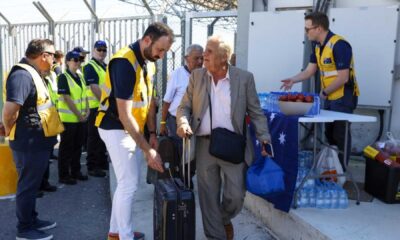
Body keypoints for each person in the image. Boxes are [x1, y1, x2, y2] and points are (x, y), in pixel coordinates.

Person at [176, 36, 271, 240]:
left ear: (224, 57)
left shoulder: (244, 78)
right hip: (204, 144)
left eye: (209, 51)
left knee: (236, 196)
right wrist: (183, 122)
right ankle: (216, 235)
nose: (204, 55)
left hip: (232, 145)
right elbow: (184, 106)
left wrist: (265, 138)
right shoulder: (197, 76)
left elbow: (256, 112)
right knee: (208, 197)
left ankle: (223, 219)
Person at [95, 22, 173, 240]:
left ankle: (115, 232)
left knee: (125, 183)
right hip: (116, 127)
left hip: (131, 129)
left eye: (165, 51)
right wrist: (148, 149)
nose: (161, 55)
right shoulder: (124, 62)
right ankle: (125, 236)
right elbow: (124, 114)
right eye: (160, 49)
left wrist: (153, 134)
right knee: (129, 184)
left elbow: (149, 103)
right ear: (147, 40)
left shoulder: (149, 62)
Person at [280, 12, 359, 170]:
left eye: (308, 29)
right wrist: (293, 80)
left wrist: (323, 93)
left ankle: (341, 173)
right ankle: (332, 169)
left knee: (340, 135)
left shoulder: (339, 45)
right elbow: (309, 71)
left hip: (343, 98)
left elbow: (343, 77)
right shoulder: (317, 46)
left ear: (319, 28)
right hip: (330, 97)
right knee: (330, 135)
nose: (306, 32)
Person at [2, 39, 60, 240]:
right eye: (52, 55)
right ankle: (24, 229)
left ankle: (31, 219)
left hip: (36, 140)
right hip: (28, 142)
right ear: (43, 55)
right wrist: (9, 129)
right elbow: (9, 111)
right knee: (27, 185)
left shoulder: (33, 73)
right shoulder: (22, 75)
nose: (54, 59)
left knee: (32, 184)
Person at [159, 43, 203, 185]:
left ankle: (187, 175)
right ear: (186, 58)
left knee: (193, 152)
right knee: (181, 150)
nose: (200, 62)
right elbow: (167, 101)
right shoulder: (177, 74)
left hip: (196, 120)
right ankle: (183, 180)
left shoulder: (204, 75)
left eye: (202, 58)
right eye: (196, 58)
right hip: (176, 119)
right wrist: (162, 123)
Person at [57, 51, 89, 185]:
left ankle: (76, 171)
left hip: (80, 119)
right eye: (75, 60)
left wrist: (87, 110)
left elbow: (85, 95)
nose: (78, 62)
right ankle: (64, 175)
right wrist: (79, 115)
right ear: (68, 61)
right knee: (66, 148)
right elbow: (67, 98)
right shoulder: (63, 77)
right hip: (69, 119)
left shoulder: (80, 76)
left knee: (78, 147)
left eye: (80, 60)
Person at [83, 40, 108, 178]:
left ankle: (102, 162)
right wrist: (106, 104)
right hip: (96, 107)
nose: (102, 52)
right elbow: (94, 88)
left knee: (103, 137)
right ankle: (92, 166)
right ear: (93, 50)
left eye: (104, 50)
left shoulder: (104, 66)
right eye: (99, 49)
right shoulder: (90, 66)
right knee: (94, 137)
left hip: (104, 107)